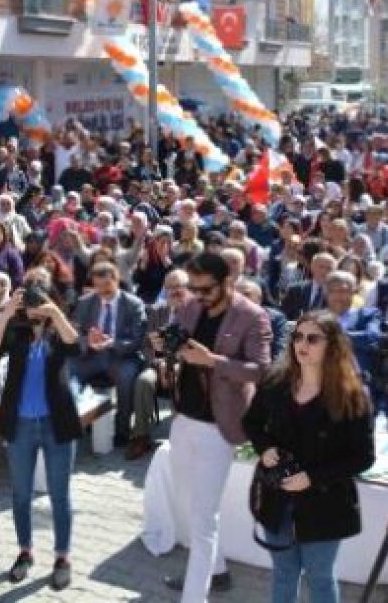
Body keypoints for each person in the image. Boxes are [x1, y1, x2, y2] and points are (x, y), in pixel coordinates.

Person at [243, 311, 375, 603]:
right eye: (297, 337)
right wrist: (265, 449)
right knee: (284, 572)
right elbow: (251, 422)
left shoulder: (352, 395)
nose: (302, 344)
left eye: (312, 338)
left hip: (325, 503)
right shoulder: (276, 380)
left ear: (333, 345)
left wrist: (312, 478)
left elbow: (363, 457)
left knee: (320, 578)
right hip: (278, 496)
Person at [164, 252, 272, 600]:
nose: (198, 295)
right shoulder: (192, 307)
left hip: (219, 426)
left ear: (227, 281)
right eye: (193, 288)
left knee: (203, 517)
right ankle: (217, 570)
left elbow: (261, 370)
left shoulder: (252, 316)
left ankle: (195, 595)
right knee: (183, 502)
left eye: (205, 288)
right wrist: (163, 347)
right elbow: (177, 341)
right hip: (184, 417)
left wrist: (213, 362)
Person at [0, 268, 81, 592]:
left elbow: (75, 344)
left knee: (59, 495)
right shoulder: (16, 331)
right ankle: (25, 552)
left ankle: (62, 557)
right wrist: (8, 312)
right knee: (21, 494)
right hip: (21, 425)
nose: (34, 308)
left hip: (56, 424)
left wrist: (54, 312)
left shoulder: (59, 331)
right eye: (30, 301)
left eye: (39, 300)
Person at [70, 261, 147, 446]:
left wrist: (112, 343)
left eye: (106, 285)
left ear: (116, 280)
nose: (101, 291)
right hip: (91, 355)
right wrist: (87, 341)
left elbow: (137, 340)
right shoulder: (85, 302)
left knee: (127, 376)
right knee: (67, 371)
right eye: (97, 286)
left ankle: (122, 430)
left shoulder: (133, 304)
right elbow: (74, 333)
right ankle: (74, 422)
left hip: (121, 356)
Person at [128, 268, 191, 460]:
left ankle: (182, 439)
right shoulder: (156, 311)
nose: (174, 291)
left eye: (179, 287)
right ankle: (141, 435)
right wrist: (158, 363)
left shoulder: (196, 314)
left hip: (186, 367)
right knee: (143, 381)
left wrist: (177, 364)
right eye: (169, 287)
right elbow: (145, 345)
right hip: (158, 365)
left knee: (184, 381)